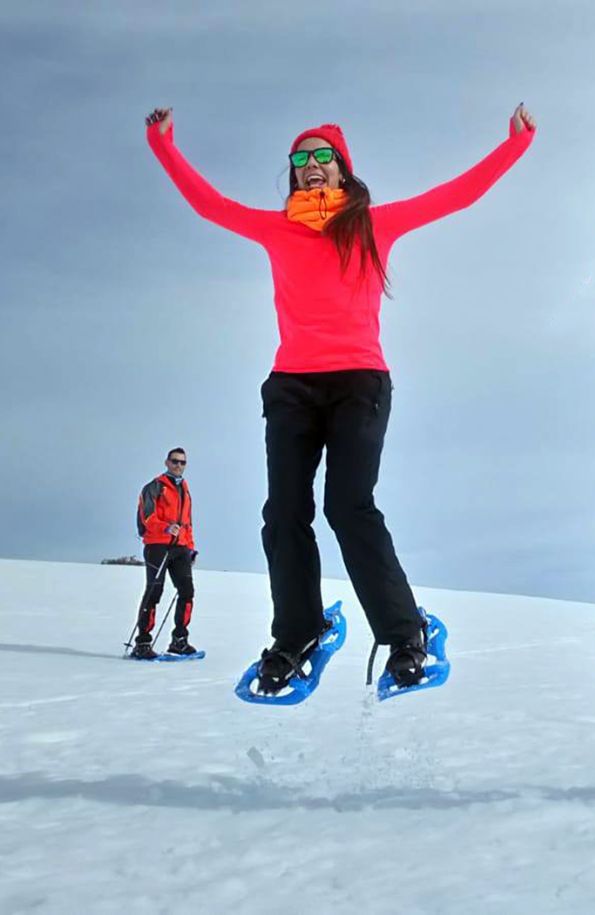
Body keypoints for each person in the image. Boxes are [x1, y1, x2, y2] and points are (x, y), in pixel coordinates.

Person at [145, 103, 536, 691]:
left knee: (348, 507)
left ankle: (408, 635)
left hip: (359, 381)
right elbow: (210, 205)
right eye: (300, 159)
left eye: (321, 156)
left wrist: (517, 143)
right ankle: (298, 634)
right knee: (282, 514)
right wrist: (164, 144)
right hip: (291, 386)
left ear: (343, 169)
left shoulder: (372, 224)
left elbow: (457, 195)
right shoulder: (277, 227)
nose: (309, 166)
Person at [132, 447, 198, 659]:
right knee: (154, 591)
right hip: (157, 546)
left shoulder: (185, 490)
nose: (179, 465)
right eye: (175, 461)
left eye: (182, 462)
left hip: (180, 548)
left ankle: (179, 640)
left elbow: (188, 523)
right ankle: (142, 643)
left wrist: (190, 547)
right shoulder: (154, 487)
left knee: (187, 591)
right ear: (166, 462)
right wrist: (166, 527)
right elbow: (147, 517)